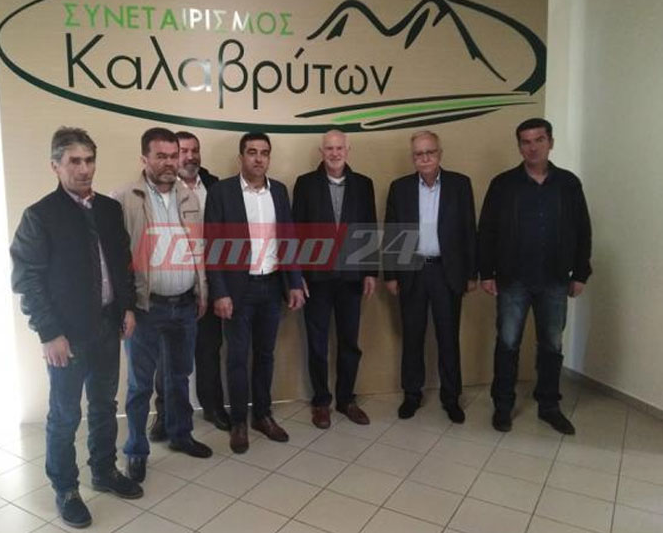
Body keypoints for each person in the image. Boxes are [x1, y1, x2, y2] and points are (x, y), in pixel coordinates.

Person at [10, 127, 142, 529]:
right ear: (56, 166)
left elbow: (122, 264)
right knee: (65, 414)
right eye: (74, 161)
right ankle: (66, 488)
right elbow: (27, 280)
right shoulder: (40, 216)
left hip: (107, 325)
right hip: (66, 335)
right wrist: (49, 333)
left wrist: (127, 307)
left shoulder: (108, 209)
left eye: (89, 160)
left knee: (104, 404)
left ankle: (103, 470)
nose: (84, 169)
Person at [478, 117, 591, 435]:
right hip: (512, 279)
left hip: (554, 279)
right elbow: (486, 230)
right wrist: (486, 272)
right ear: (519, 147)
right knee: (508, 343)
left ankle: (549, 406)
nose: (532, 147)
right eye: (526, 142)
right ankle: (503, 405)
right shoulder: (503, 184)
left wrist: (580, 273)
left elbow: (583, 230)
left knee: (552, 346)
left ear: (550, 142)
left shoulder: (568, 184)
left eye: (539, 140)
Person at [113, 127, 212, 485]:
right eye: (161, 156)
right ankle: (136, 450)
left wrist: (202, 290)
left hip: (184, 304)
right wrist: (125, 307)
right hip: (146, 308)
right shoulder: (125, 199)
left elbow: (198, 248)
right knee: (140, 385)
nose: (170, 163)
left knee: (179, 376)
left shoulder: (190, 197)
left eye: (174, 156)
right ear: (145, 158)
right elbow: (117, 259)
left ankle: (180, 434)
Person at [204, 132, 305, 454]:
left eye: (264, 153)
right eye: (252, 152)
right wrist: (220, 292)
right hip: (238, 289)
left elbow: (288, 239)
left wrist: (294, 282)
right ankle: (238, 421)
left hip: (272, 286)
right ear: (241, 157)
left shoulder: (280, 191)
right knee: (236, 357)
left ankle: (262, 415)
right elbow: (212, 246)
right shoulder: (222, 192)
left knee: (265, 354)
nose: (258, 158)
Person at [383, 131, 477, 424]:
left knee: (448, 337)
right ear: (413, 157)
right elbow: (392, 233)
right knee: (412, 337)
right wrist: (391, 274)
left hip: (447, 272)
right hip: (412, 272)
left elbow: (469, 230)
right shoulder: (399, 188)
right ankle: (412, 395)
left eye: (430, 152)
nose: (424, 158)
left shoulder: (460, 185)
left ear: (439, 153)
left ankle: (451, 397)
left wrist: (471, 273)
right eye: (418, 154)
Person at [292, 130, 378, 429]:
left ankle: (346, 399)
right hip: (316, 279)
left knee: (349, 342)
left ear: (348, 150)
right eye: (329, 148)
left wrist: (370, 271)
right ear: (322, 151)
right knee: (317, 344)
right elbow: (297, 230)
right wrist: (297, 276)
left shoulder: (363, 184)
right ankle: (321, 401)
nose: (334, 153)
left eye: (339, 147)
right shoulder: (305, 184)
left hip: (352, 278)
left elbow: (369, 228)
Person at [148, 131, 229, 441]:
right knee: (166, 357)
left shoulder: (215, 186)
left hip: (209, 281)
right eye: (183, 151)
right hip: (175, 282)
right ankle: (164, 413)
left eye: (195, 150)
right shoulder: (161, 189)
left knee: (209, 349)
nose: (190, 156)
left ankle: (212, 406)